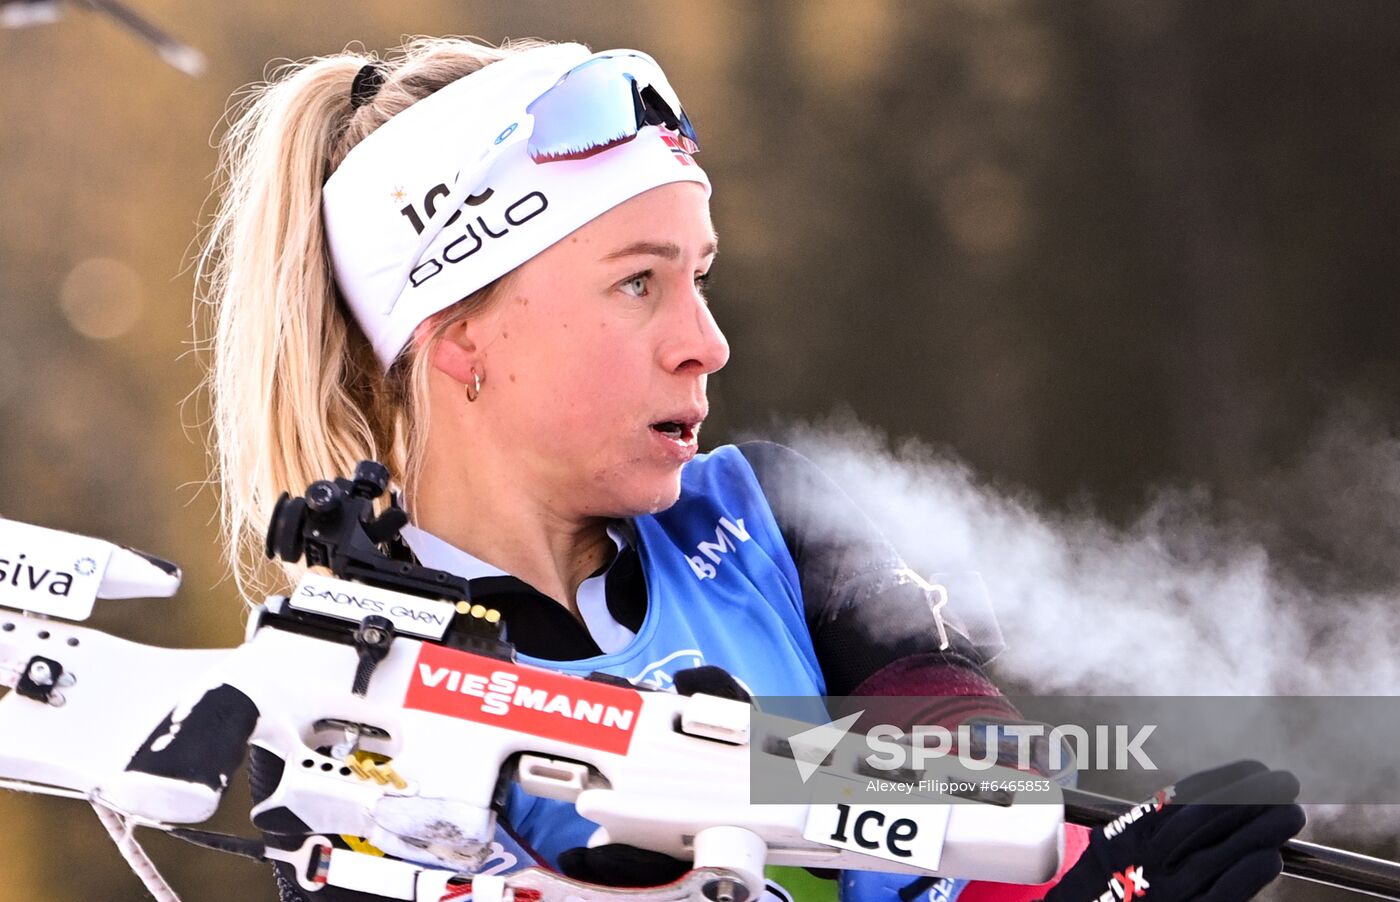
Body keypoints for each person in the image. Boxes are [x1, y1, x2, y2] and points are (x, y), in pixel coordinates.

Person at [196, 36, 1304, 902]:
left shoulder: (773, 519)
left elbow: (983, 824)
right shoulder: (352, 695)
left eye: (699, 276)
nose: (703, 341)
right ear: (459, 338)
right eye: (637, 283)